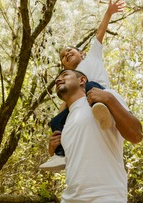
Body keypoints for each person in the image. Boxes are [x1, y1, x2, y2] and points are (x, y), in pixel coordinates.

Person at [50, 69, 143, 203]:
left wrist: (109, 99)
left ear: (82, 80)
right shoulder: (65, 121)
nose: (59, 79)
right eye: (57, 78)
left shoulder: (103, 99)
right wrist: (53, 149)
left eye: (65, 75)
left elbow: (136, 135)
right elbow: (80, 159)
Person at [39, 0, 126, 171]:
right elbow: (66, 103)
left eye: (70, 50)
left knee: (90, 85)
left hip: (99, 93)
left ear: (82, 53)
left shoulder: (92, 58)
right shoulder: (70, 78)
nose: (67, 54)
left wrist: (109, 13)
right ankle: (60, 154)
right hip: (81, 100)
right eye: (64, 56)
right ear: (64, 66)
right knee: (55, 120)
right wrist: (59, 118)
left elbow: (99, 34)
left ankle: (103, 112)